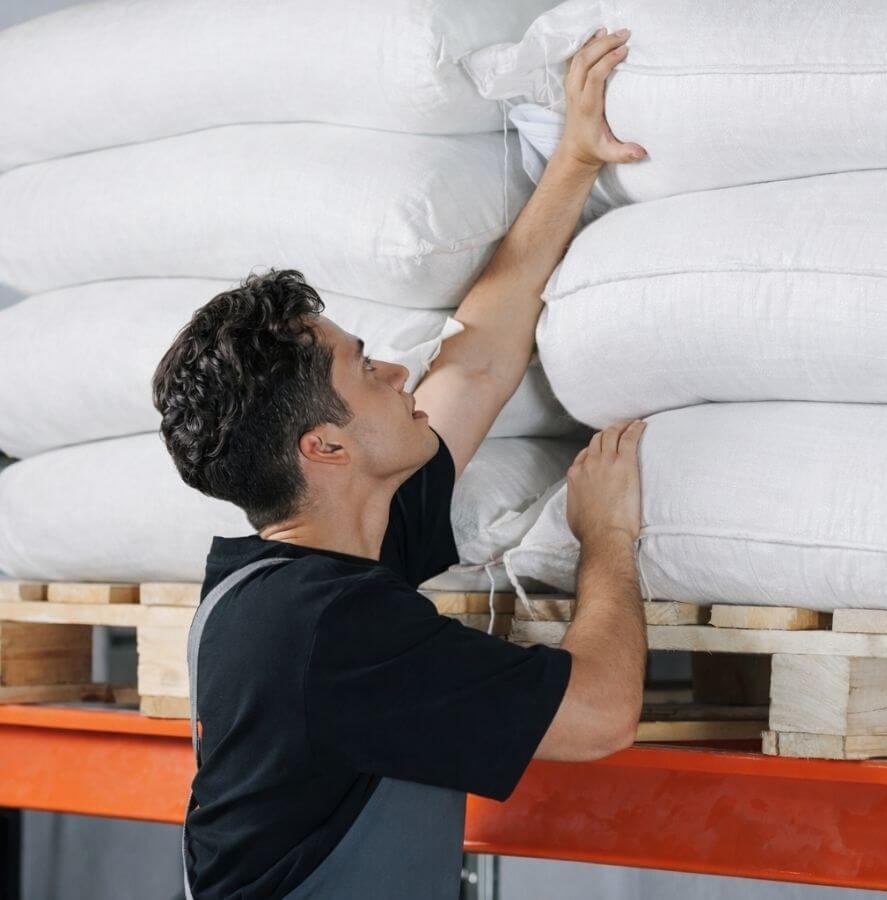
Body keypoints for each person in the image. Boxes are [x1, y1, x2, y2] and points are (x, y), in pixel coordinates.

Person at [150, 27, 649, 900]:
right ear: (325, 447)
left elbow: (478, 359)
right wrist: (606, 538)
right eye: (363, 366)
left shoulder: (297, 577)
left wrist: (572, 161)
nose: (395, 370)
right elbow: (600, 715)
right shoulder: (328, 629)